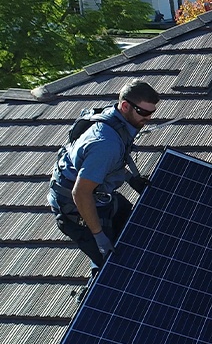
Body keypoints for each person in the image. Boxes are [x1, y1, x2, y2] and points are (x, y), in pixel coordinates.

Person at [48, 80, 160, 276]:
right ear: (125, 106)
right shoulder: (105, 144)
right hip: (75, 206)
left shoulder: (115, 120)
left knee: (133, 220)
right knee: (113, 266)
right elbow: (81, 193)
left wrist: (129, 177)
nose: (148, 118)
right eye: (143, 113)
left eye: (152, 112)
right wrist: (99, 236)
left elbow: (105, 165)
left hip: (94, 193)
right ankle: (94, 287)